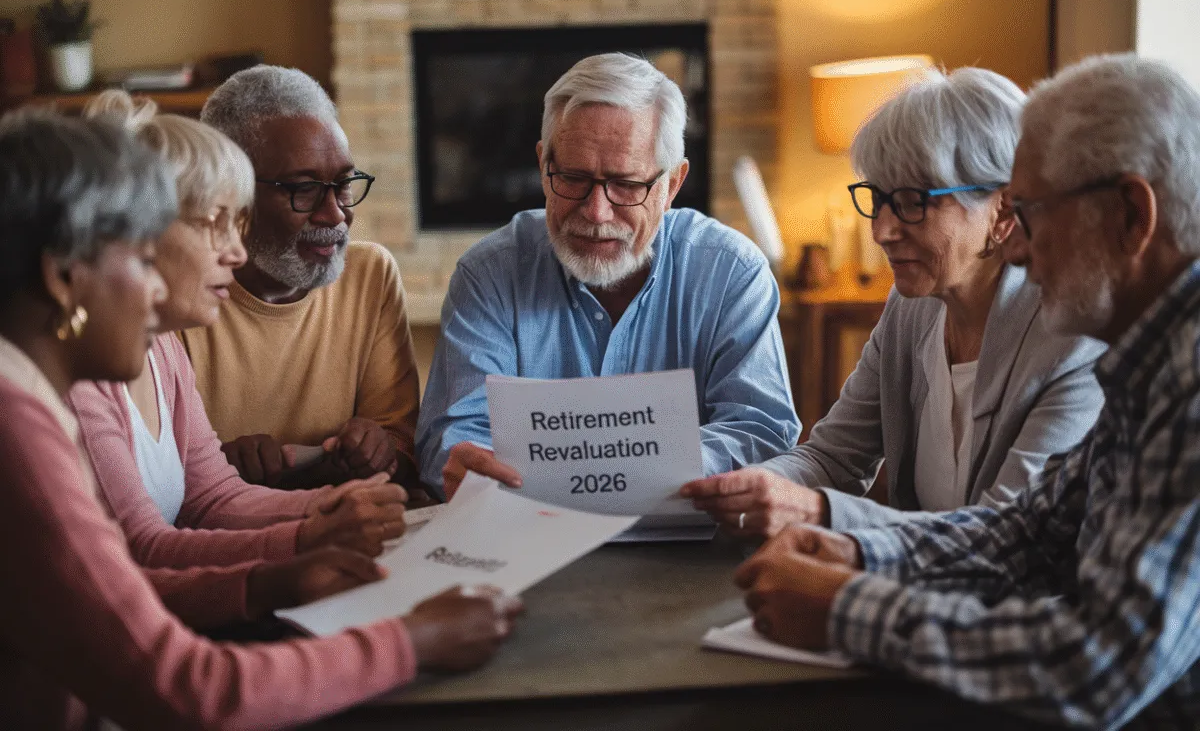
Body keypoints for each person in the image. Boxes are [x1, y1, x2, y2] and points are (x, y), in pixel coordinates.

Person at [0, 110, 521, 730]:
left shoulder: (34, 398)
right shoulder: (18, 430)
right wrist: (411, 640)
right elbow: (194, 689)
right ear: (62, 278)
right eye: (144, 260)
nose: (159, 291)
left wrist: (281, 576)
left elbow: (127, 587)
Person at [734, 54, 1200, 729]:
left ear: (1129, 215)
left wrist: (846, 609)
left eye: (1032, 212)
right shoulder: (1151, 362)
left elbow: (1098, 664)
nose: (1015, 249)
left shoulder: (1189, 382)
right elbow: (1029, 529)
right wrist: (860, 551)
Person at [682, 67, 1106, 535]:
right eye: (878, 198)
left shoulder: (1073, 342)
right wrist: (731, 487)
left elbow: (1008, 535)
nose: (882, 230)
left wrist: (818, 513)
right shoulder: (913, 308)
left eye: (912, 201)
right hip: (914, 588)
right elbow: (832, 458)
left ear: (1003, 208)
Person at [66, 92, 406, 608]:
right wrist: (307, 540)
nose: (237, 251)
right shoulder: (82, 375)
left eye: (237, 223)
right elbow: (141, 550)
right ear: (139, 234)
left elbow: (212, 498)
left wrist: (338, 506)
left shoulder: (159, 349)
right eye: (214, 224)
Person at [416, 52, 800, 499]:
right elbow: (453, 438)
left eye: (627, 185)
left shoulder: (731, 271)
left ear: (671, 185)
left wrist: (621, 470)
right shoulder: (490, 274)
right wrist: (468, 462)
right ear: (543, 168)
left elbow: (763, 431)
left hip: (689, 536)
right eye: (574, 179)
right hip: (529, 535)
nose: (596, 213)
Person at [183, 64, 420, 490]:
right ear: (230, 192)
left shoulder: (371, 276)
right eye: (303, 188)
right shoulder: (179, 298)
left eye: (344, 184)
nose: (335, 215)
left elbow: (405, 457)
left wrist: (380, 450)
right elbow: (151, 484)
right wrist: (213, 468)